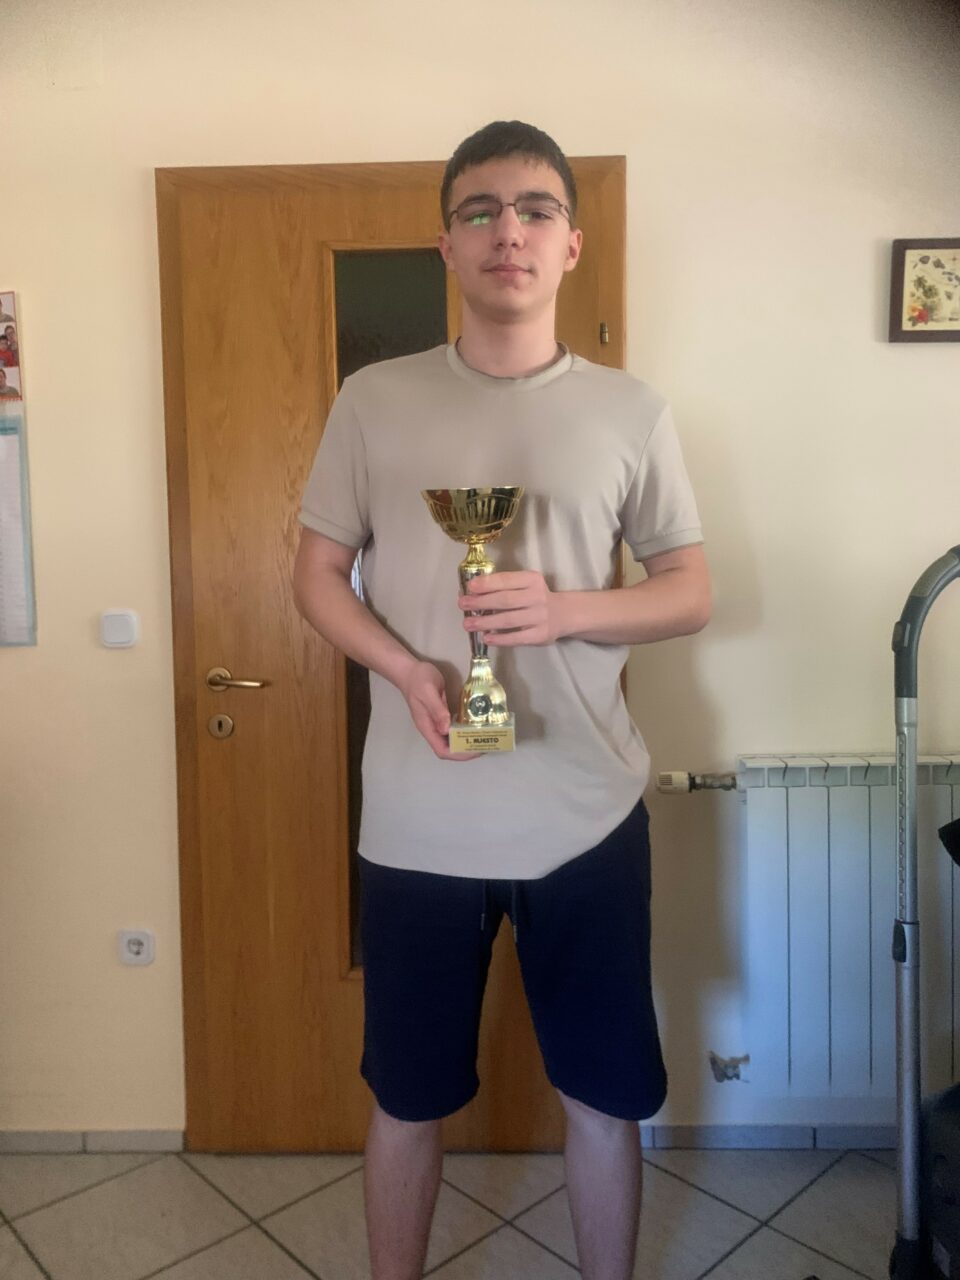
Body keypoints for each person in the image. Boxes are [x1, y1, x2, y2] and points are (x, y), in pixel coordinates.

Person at [293, 120, 710, 1280]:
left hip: (585, 808)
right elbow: (315, 574)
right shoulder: (373, 400)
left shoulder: (632, 410)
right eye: (479, 210)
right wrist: (405, 668)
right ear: (447, 243)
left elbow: (690, 589)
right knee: (406, 1095)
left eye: (534, 209)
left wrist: (566, 608)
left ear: (571, 243)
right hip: (418, 816)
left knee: (603, 1096)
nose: (507, 230)